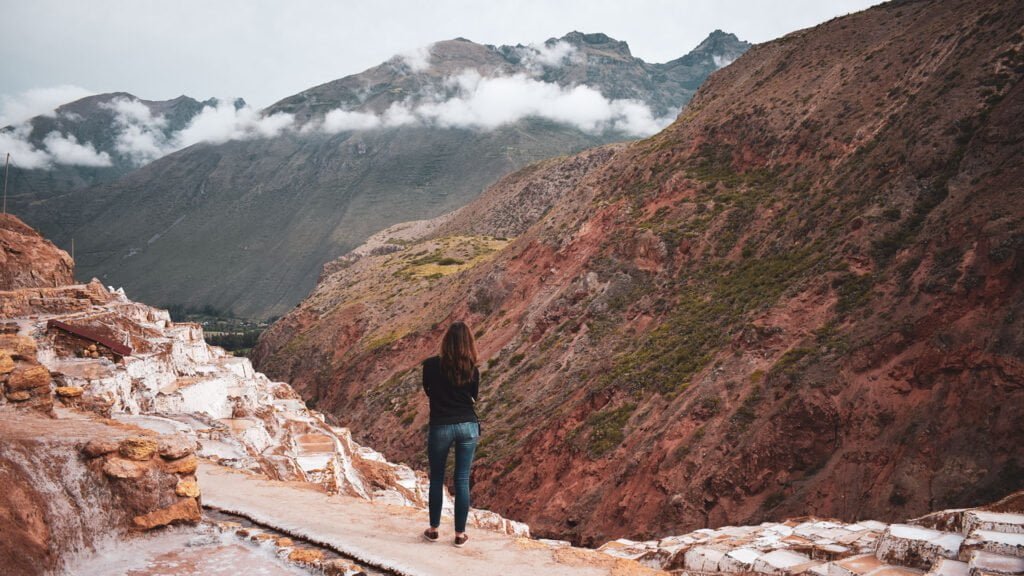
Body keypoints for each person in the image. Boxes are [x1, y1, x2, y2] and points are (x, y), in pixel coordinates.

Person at [421, 321, 481, 548]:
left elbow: (428, 390)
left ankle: (434, 529)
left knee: (437, 478)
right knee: (462, 479)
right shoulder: (472, 369)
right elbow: (474, 397)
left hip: (441, 425)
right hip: (467, 425)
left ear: (445, 341)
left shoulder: (430, 365)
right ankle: (459, 534)